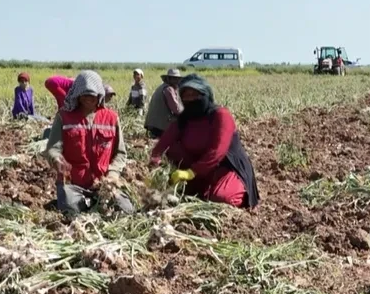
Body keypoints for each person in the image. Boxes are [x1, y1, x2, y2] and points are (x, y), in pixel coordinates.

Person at [149, 74, 259, 208]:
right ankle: (200, 187)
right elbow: (163, 144)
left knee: (220, 198)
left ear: (205, 95)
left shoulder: (220, 115)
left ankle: (233, 189)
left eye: (195, 95)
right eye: (186, 95)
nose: (190, 99)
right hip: (198, 167)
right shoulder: (184, 119)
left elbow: (218, 151)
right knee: (173, 150)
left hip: (227, 167)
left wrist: (191, 172)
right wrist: (154, 166)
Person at [42, 71, 134, 217]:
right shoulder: (63, 117)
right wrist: (57, 160)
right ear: (77, 94)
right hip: (73, 184)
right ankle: (66, 201)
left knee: (125, 210)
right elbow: (53, 149)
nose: (89, 98)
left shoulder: (111, 118)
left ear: (100, 95)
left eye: (93, 95)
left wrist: (113, 174)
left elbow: (120, 153)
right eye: (85, 94)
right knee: (71, 213)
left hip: (103, 184)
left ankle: (93, 200)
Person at [144, 68, 184, 139]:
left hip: (152, 124)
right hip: (160, 126)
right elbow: (176, 109)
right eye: (174, 79)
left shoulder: (162, 87)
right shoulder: (169, 89)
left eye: (177, 79)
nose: (176, 81)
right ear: (169, 79)